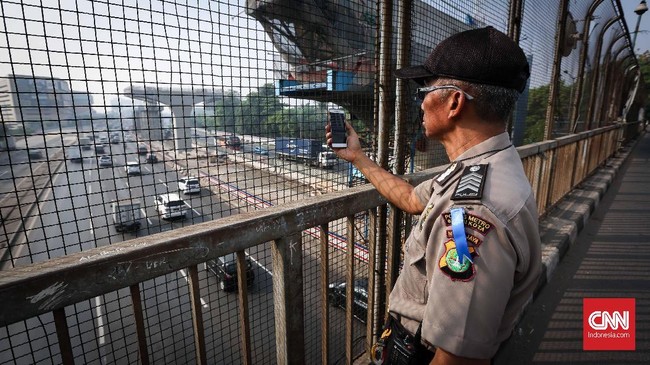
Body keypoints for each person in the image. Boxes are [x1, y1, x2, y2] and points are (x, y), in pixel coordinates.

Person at [326, 26, 542, 365]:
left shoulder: (473, 209)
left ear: (455, 102)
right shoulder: (482, 165)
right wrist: (358, 158)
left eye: (425, 89)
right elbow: (413, 199)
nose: (422, 101)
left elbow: (457, 357)